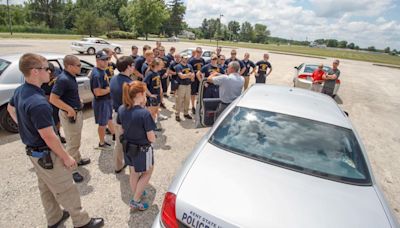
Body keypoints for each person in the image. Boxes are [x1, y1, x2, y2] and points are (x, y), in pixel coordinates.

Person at [8, 53, 104, 228]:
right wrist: (66, 157)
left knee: (45, 187)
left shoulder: (21, 90)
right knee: (67, 188)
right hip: (46, 154)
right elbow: (49, 136)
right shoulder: (38, 102)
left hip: (33, 153)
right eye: (46, 69)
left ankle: (55, 217)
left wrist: (25, 127)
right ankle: (81, 222)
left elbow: (10, 108)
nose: (50, 72)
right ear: (35, 71)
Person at [50, 55, 91, 183]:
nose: (81, 67)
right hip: (70, 116)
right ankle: (71, 169)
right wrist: (69, 109)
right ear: (69, 66)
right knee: (73, 143)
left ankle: (77, 159)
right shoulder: (63, 79)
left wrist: (77, 100)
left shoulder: (71, 77)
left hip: (76, 113)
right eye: (78, 65)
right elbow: (53, 99)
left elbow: (68, 94)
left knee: (75, 138)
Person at [118, 81, 156, 211]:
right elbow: (151, 137)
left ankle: (137, 192)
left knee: (133, 172)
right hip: (142, 149)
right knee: (148, 171)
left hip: (128, 147)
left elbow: (121, 129)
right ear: (140, 94)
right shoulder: (144, 114)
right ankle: (135, 200)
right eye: (144, 93)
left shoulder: (121, 109)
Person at [109, 56, 135, 174]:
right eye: (133, 65)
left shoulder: (114, 78)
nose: (134, 66)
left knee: (119, 142)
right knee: (130, 143)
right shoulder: (129, 84)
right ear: (128, 67)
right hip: (127, 117)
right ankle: (133, 168)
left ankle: (118, 165)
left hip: (116, 114)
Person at [90, 51, 115, 148]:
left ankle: (114, 135)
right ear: (97, 60)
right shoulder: (97, 74)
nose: (106, 62)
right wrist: (109, 89)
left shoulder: (102, 70)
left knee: (109, 118)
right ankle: (101, 143)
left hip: (107, 100)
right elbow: (97, 92)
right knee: (102, 124)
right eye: (103, 60)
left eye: (107, 59)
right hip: (101, 102)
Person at [40, 62, 66, 143]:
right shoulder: (40, 78)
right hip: (46, 102)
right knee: (47, 122)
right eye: (49, 74)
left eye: (52, 74)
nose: (51, 76)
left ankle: (57, 134)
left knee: (57, 120)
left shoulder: (57, 71)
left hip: (57, 101)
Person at [174, 54, 195, 122]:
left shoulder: (189, 66)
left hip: (188, 85)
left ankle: (186, 113)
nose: (186, 59)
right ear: (181, 58)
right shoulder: (178, 66)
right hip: (181, 85)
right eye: (184, 58)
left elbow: (193, 74)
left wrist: (189, 76)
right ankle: (177, 114)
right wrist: (189, 75)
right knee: (179, 100)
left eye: (186, 58)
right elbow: (181, 76)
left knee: (187, 100)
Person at [188, 47, 205, 114]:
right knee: (193, 93)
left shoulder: (202, 60)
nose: (199, 53)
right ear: (196, 52)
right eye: (198, 52)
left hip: (200, 79)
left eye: (200, 52)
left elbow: (204, 70)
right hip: (194, 79)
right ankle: (192, 106)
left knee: (200, 93)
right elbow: (189, 70)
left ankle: (199, 106)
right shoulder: (191, 60)